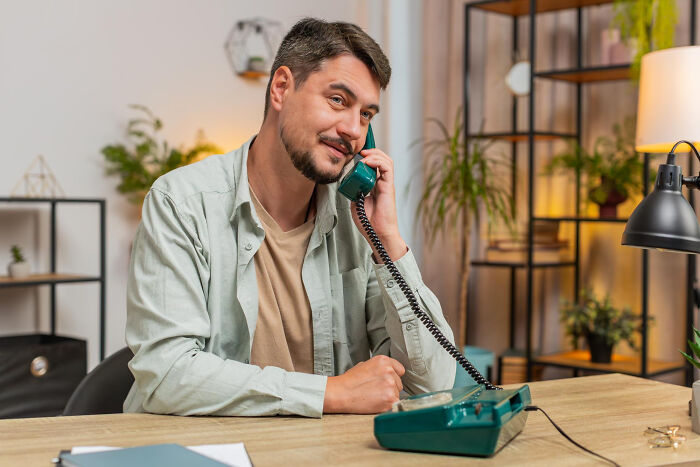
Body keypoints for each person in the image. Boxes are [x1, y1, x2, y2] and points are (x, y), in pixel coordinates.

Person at [123, 17, 456, 418]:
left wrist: (388, 243)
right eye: (338, 100)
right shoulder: (181, 203)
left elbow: (431, 383)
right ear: (281, 88)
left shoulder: (358, 220)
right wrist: (329, 394)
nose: (353, 129)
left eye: (366, 114)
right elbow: (166, 376)